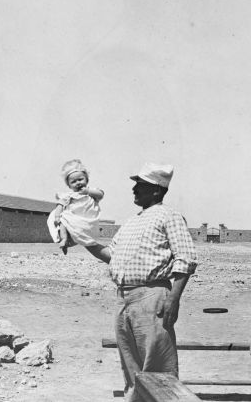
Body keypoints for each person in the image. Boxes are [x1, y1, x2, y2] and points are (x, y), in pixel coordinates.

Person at [86, 162, 197, 402]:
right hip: (124, 299)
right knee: (130, 366)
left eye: (141, 185)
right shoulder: (131, 222)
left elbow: (186, 258)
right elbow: (110, 255)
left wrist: (174, 299)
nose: (134, 189)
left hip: (152, 297)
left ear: (157, 190)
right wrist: (84, 240)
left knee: (157, 366)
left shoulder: (170, 216)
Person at [46, 159, 104, 254]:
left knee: (85, 235)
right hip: (73, 217)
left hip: (87, 219)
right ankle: (64, 239)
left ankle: (72, 242)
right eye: (73, 182)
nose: (78, 183)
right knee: (63, 221)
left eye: (80, 179)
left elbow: (100, 194)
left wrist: (88, 191)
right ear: (69, 186)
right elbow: (60, 205)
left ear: (87, 179)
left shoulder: (91, 192)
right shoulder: (69, 195)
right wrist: (57, 217)